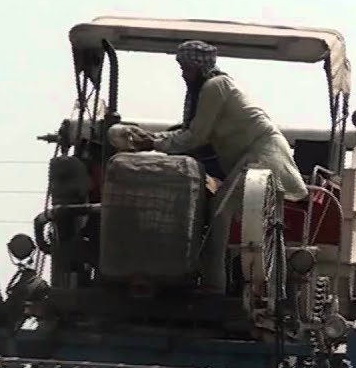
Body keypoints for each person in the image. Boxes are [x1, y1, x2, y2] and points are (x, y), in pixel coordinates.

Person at [129, 39, 309, 294]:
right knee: (270, 229)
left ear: (200, 68)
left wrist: (154, 144)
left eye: (187, 68)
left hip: (261, 154)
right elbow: (192, 133)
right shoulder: (209, 88)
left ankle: (214, 284)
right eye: (181, 68)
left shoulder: (215, 86)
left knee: (219, 211)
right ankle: (275, 290)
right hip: (253, 155)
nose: (183, 74)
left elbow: (196, 136)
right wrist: (157, 140)